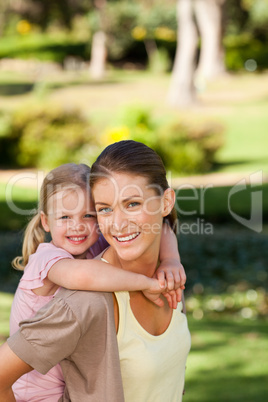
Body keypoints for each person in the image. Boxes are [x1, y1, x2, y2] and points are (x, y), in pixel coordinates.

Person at [0, 160, 185, 401]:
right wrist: (146, 283)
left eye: (89, 215)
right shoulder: (47, 259)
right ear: (46, 221)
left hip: (72, 384)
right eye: (65, 217)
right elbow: (83, 275)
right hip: (37, 394)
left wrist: (171, 260)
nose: (77, 227)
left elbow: (159, 226)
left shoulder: (93, 242)